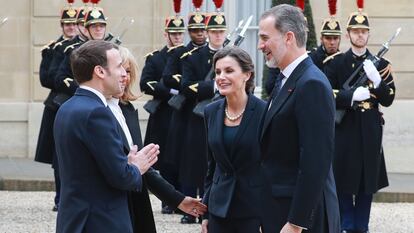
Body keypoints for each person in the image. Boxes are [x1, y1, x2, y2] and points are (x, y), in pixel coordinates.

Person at [53, 40, 159, 233]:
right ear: (100, 72)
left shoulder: (66, 108)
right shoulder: (97, 113)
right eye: (118, 66)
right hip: (102, 222)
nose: (123, 74)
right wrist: (136, 166)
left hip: (74, 221)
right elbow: (122, 178)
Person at [258, 4, 340, 233]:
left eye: (265, 37)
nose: (260, 45)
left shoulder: (311, 83)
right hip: (281, 210)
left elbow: (316, 160)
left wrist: (296, 222)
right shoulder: (286, 78)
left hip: (301, 220)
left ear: (289, 37)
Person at [106, 46, 206, 233]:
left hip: (135, 201)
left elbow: (144, 168)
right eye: (119, 70)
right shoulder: (97, 111)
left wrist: (178, 199)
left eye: (128, 71)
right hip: (111, 207)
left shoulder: (127, 110)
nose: (124, 76)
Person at [324, 4, 396, 233]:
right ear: (348, 35)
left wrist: (377, 82)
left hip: (370, 129)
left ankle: (362, 226)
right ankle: (346, 224)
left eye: (363, 31)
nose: (359, 34)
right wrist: (350, 96)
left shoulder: (381, 65)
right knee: (343, 177)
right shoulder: (335, 63)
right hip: (345, 127)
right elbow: (325, 94)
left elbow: (389, 99)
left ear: (368, 34)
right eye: (355, 31)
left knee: (368, 180)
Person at [201, 46, 267, 233]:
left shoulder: (265, 112)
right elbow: (211, 166)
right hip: (219, 211)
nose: (221, 77)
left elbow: (271, 166)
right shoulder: (210, 111)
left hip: (254, 212)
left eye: (229, 71)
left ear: (247, 75)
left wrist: (269, 214)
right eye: (218, 72)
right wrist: (205, 214)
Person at [179, 7, 227, 224]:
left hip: (225, 113)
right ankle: (192, 211)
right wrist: (213, 86)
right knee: (194, 162)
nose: (218, 35)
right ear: (207, 32)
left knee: (216, 162)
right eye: (214, 31)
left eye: (221, 31)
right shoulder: (194, 56)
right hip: (198, 117)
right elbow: (186, 86)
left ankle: (211, 207)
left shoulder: (231, 55)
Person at [161, 7, 208, 214]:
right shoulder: (180, 52)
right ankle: (181, 199)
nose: (199, 34)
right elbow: (169, 77)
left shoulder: (212, 53)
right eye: (195, 31)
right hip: (186, 110)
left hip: (205, 110)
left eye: (202, 30)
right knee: (182, 157)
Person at [139, 13, 185, 214]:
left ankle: (182, 195)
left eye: (179, 34)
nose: (177, 37)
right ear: (166, 35)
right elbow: (145, 83)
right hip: (164, 113)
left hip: (183, 111)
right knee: (164, 155)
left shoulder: (188, 56)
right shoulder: (156, 58)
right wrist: (170, 92)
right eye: (173, 34)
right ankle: (167, 200)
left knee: (182, 155)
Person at [34, 1, 78, 212]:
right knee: (58, 156)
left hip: (75, 100)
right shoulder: (54, 48)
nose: (70, 27)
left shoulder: (82, 47)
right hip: (57, 104)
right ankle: (60, 197)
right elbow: (48, 78)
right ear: (61, 26)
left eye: (73, 23)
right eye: (66, 24)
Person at [308, 0, 342, 71]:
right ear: (321, 39)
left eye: (335, 38)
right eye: (328, 38)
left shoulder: (343, 59)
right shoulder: (311, 58)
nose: (332, 42)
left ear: (340, 39)